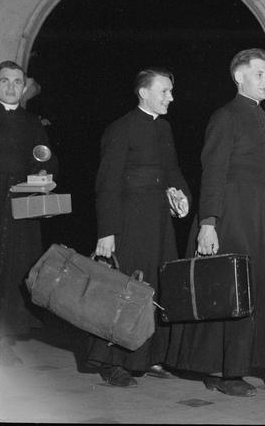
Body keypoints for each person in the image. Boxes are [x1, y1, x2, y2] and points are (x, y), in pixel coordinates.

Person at [167, 48, 265, 397]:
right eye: (260, 74)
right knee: (231, 290)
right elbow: (214, 173)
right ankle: (224, 371)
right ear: (239, 77)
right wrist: (208, 222)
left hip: (264, 212)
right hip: (232, 213)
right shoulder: (225, 117)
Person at [86, 67, 192, 387]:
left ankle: (147, 359)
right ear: (143, 93)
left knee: (156, 288)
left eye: (171, 91)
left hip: (159, 222)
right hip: (129, 222)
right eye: (164, 91)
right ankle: (111, 361)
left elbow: (172, 171)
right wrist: (107, 232)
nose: (170, 97)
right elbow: (107, 184)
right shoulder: (121, 128)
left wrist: (182, 196)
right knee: (124, 291)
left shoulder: (165, 129)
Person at [0, 60, 59, 366]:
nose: (10, 87)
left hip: (19, 208)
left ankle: (3, 340)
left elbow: (44, 158)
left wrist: (43, 177)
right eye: (4, 81)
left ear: (24, 87)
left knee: (14, 271)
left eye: (16, 82)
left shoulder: (33, 123)